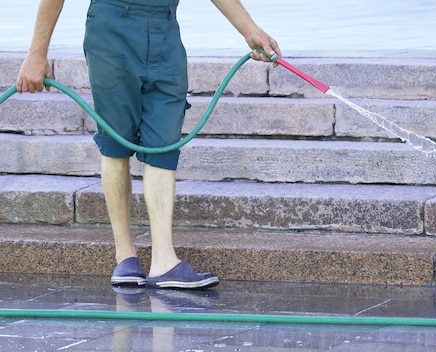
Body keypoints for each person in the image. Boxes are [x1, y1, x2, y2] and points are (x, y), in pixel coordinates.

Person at [16, 0, 282, 289]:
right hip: (112, 25)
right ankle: (125, 256)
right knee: (116, 140)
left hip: (165, 28)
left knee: (164, 143)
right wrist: (36, 53)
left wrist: (249, 30)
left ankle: (164, 260)